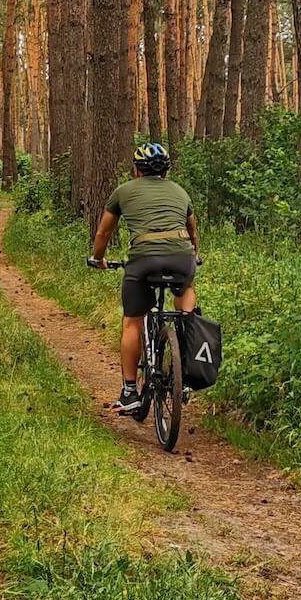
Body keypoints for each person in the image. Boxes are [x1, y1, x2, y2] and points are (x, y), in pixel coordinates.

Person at [87, 142, 199, 417]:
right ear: (166, 172)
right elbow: (192, 230)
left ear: (137, 171)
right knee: (186, 289)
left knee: (133, 320)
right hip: (181, 256)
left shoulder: (124, 191)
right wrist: (194, 255)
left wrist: (98, 258)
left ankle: (129, 393)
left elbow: (103, 233)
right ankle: (185, 336)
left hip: (144, 260)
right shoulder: (180, 191)